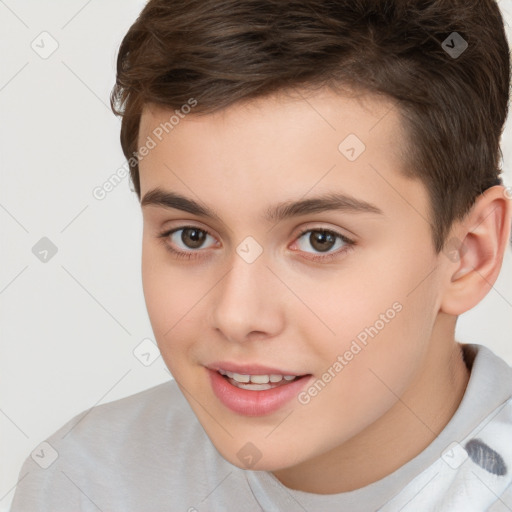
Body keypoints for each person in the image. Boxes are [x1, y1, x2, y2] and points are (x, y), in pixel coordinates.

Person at [10, 0, 512, 510]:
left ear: (469, 254)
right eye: (191, 236)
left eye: (321, 240)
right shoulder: (81, 482)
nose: (236, 315)